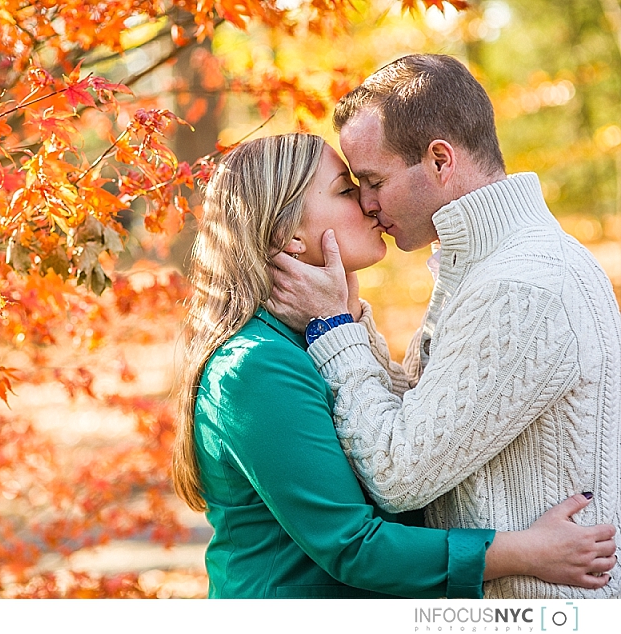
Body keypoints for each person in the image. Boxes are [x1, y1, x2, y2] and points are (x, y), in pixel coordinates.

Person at [171, 132, 617, 599]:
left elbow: (407, 449)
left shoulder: (317, 337)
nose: (368, 204)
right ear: (287, 236)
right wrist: (524, 552)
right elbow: (353, 545)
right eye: (347, 190)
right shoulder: (256, 367)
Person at [267, 55, 621, 598]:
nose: (365, 203)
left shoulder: (523, 286)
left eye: (374, 180)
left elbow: (398, 474)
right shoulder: (481, 266)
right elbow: (428, 427)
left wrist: (331, 328)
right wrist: (351, 323)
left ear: (438, 160)